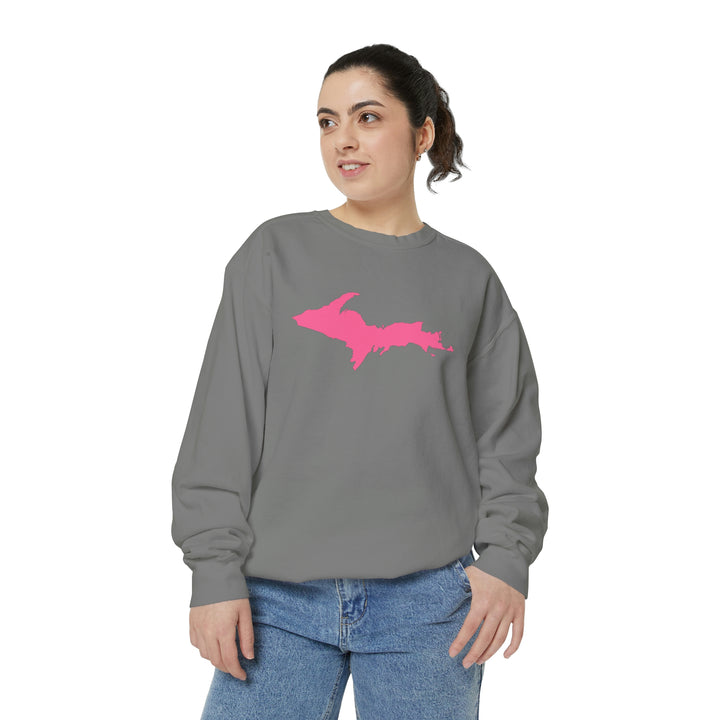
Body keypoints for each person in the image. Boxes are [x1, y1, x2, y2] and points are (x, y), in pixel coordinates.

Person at [171, 43, 549, 719]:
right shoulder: (274, 254)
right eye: (327, 121)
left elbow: (508, 437)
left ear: (422, 133)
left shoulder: (469, 279)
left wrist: (505, 560)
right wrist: (213, 572)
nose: (342, 139)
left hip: (431, 607)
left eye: (367, 117)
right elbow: (222, 426)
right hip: (274, 600)